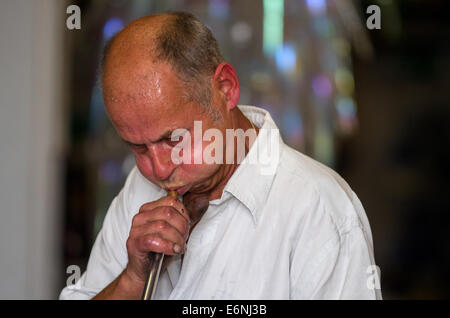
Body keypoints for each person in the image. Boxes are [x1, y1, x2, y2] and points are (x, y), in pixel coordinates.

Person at [59, 12, 382, 300]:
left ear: (225, 88)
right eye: (138, 147)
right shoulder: (138, 187)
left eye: (174, 139)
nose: (158, 169)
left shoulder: (317, 208)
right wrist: (132, 279)